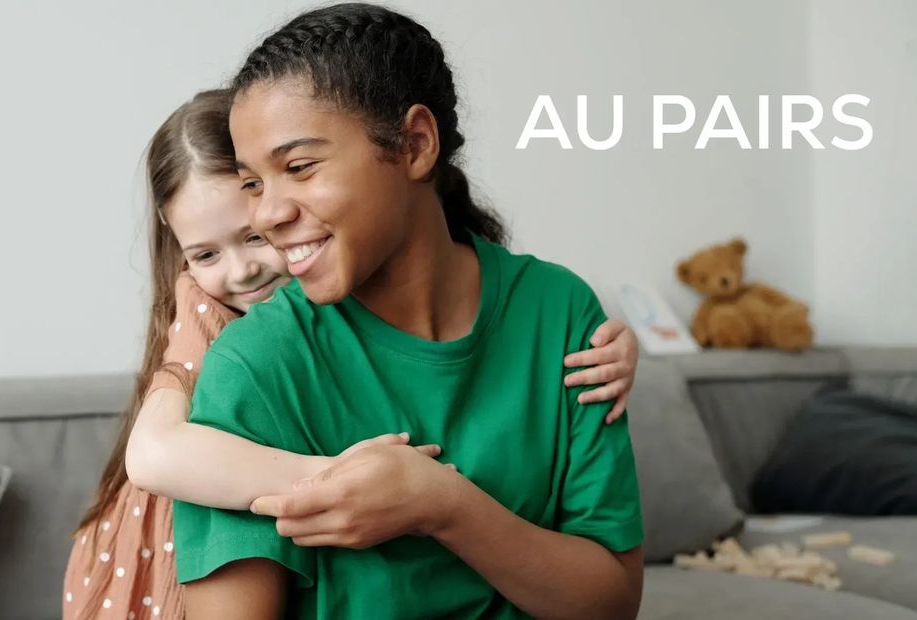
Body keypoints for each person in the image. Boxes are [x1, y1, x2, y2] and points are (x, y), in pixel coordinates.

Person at [64, 82, 639, 618]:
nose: (242, 271)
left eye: (254, 237)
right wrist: (367, 480)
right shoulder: (222, 341)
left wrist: (621, 343)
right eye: (205, 255)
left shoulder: (539, 305)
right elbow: (155, 455)